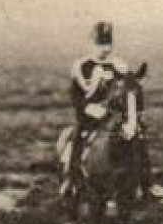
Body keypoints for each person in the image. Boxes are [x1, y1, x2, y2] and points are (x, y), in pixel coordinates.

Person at [61, 21, 156, 199]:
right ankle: (72, 180)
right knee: (77, 137)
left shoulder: (119, 66)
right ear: (91, 44)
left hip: (114, 115)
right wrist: (89, 108)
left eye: (108, 44)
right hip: (89, 114)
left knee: (139, 136)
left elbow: (129, 90)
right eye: (100, 44)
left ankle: (146, 184)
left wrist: (130, 115)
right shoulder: (82, 66)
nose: (105, 49)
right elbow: (76, 95)